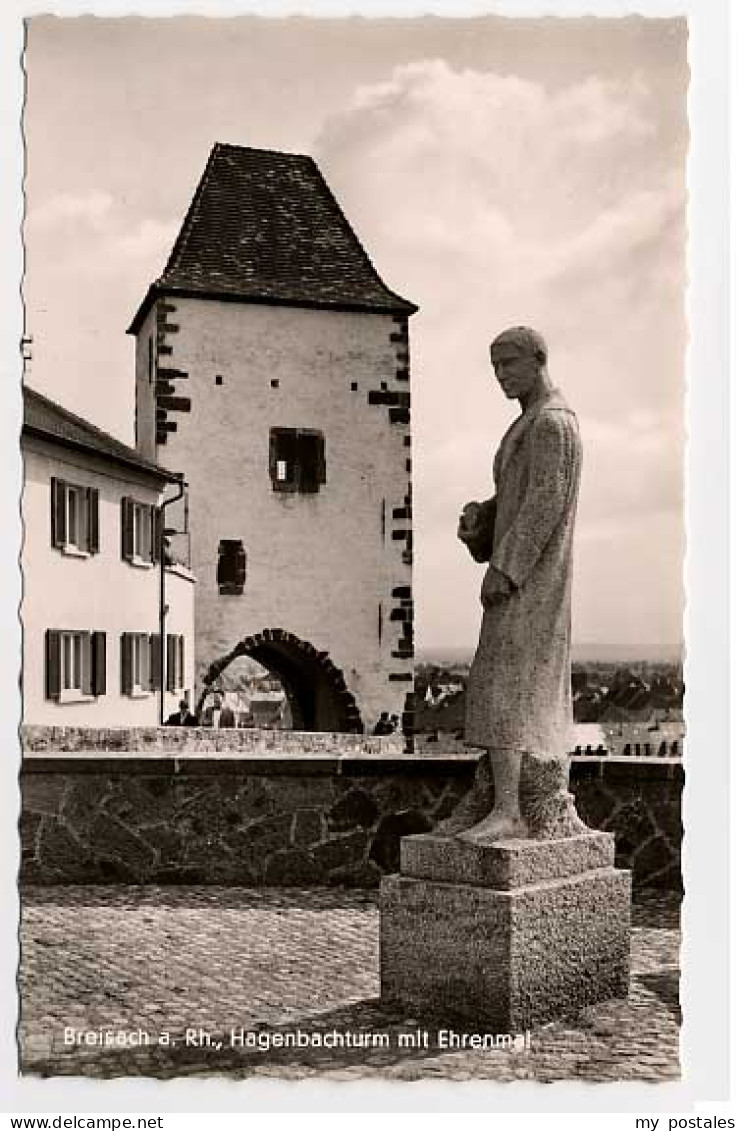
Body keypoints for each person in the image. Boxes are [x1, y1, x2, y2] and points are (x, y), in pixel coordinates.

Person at [441, 326, 587, 843]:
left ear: (538, 359)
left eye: (508, 364)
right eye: (495, 367)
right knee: (501, 684)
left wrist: (506, 567)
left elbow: (546, 501)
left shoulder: (553, 423)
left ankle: (512, 811)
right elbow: (517, 501)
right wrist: (482, 520)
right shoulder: (524, 425)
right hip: (516, 581)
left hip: (533, 586)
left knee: (509, 686)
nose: (501, 376)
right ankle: (502, 801)